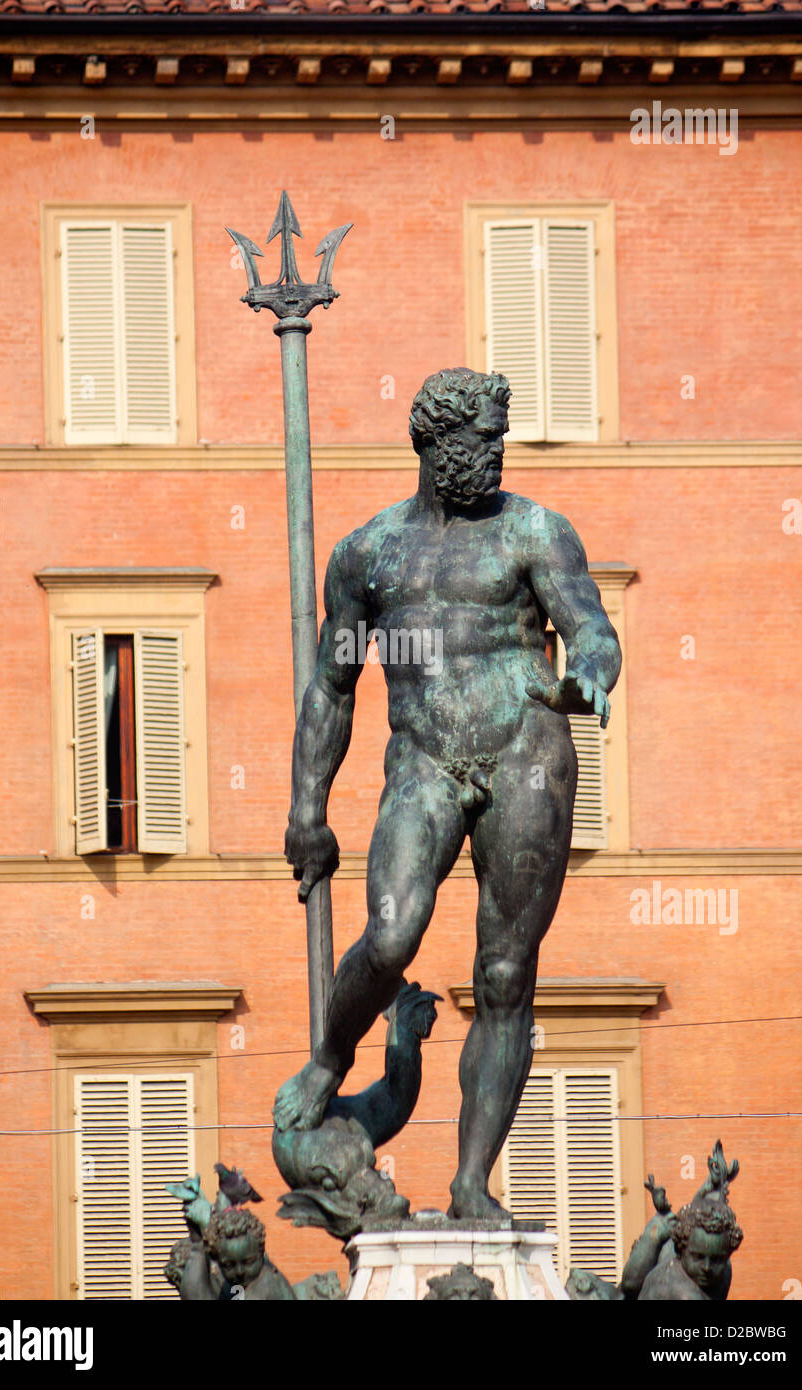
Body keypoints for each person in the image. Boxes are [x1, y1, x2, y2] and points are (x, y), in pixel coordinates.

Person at [273, 367, 621, 1220]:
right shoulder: (367, 555)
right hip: (423, 760)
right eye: (482, 440)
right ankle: (328, 1057)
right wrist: (307, 810)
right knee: (390, 937)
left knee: (504, 974)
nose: (498, 454)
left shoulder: (536, 532)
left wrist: (590, 678)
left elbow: (592, 630)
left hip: (526, 752)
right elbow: (333, 687)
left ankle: (471, 1182)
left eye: (503, 438)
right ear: (433, 444)